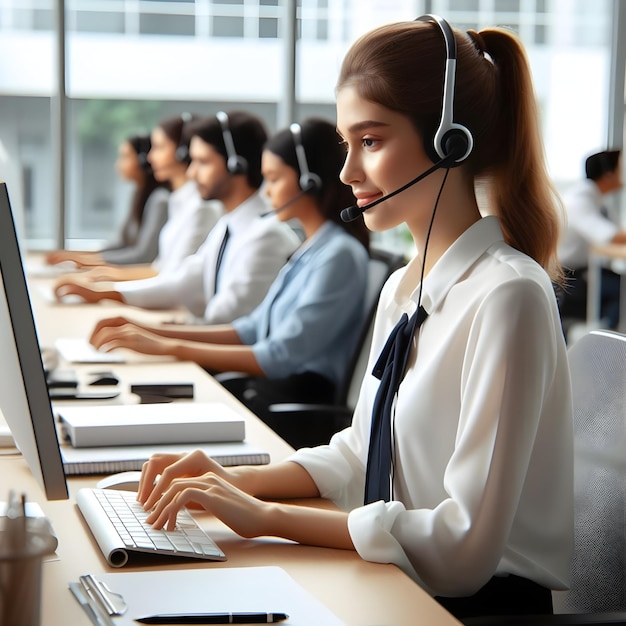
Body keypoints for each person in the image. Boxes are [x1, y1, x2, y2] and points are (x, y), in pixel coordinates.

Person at [133, 17, 573, 621]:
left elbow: (464, 549)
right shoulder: (403, 286)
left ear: (452, 142)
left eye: (371, 141)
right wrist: (234, 481)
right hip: (395, 583)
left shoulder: (508, 295)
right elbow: (358, 456)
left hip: (470, 608)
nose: (347, 174)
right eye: (347, 144)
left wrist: (269, 520)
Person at [89, 117, 370, 415]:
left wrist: (169, 347)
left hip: (289, 400)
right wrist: (152, 333)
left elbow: (279, 356)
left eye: (274, 179)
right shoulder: (311, 249)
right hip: (267, 390)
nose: (267, 191)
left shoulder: (339, 255)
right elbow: (250, 328)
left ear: (308, 181)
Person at [50, 112, 300, 317]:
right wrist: (107, 292)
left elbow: (225, 317)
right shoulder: (229, 224)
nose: (192, 173)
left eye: (203, 162)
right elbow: (184, 280)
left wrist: (160, 336)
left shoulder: (265, 235)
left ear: (237, 165)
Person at [53, 113, 222, 294]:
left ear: (182, 152)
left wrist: (107, 289)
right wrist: (107, 275)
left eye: (159, 147)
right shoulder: (178, 201)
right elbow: (159, 268)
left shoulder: (199, 208)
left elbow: (171, 277)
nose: (149, 157)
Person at [45, 134, 170, 268]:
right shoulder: (139, 195)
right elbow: (122, 244)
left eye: (125, 157)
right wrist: (78, 256)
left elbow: (143, 256)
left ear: (143, 161)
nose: (118, 164)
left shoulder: (159, 200)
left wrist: (88, 261)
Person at [557, 149, 626, 329]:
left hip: (586, 271)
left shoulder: (598, 199)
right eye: (621, 167)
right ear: (609, 174)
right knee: (622, 291)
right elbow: (611, 237)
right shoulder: (579, 200)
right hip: (567, 278)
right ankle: (607, 344)